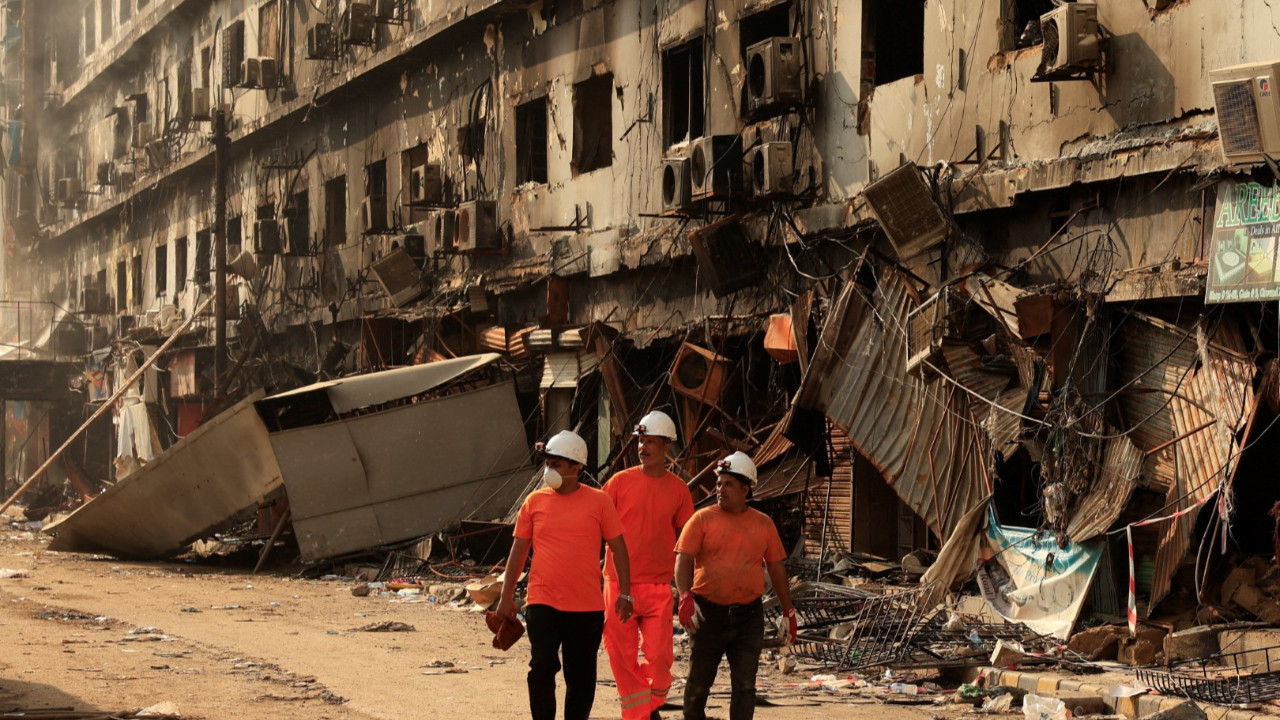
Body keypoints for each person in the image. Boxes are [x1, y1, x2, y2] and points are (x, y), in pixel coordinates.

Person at [496, 430, 635, 720]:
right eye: (548, 464)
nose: (550, 471)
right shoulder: (534, 502)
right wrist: (506, 597)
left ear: (577, 466)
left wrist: (625, 592)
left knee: (581, 677)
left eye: (557, 464)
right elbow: (518, 552)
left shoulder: (599, 502)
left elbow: (619, 547)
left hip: (586, 608)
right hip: (542, 602)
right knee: (541, 667)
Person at [674, 451, 796, 720]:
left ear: (745, 489)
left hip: (748, 618)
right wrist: (684, 597)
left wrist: (789, 611)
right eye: (718, 483)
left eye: (728, 484)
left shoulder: (763, 524)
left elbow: (776, 567)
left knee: (744, 686)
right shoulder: (702, 519)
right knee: (698, 684)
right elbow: (683, 558)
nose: (720, 489)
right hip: (708, 616)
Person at [601, 410, 695, 720]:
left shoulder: (678, 490)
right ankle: (641, 716)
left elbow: (687, 542)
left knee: (661, 661)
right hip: (618, 584)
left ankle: (646, 706)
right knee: (621, 657)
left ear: (667, 446)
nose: (643, 447)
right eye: (641, 441)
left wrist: (688, 590)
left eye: (651, 442)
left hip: (658, 586)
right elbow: (596, 525)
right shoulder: (618, 483)